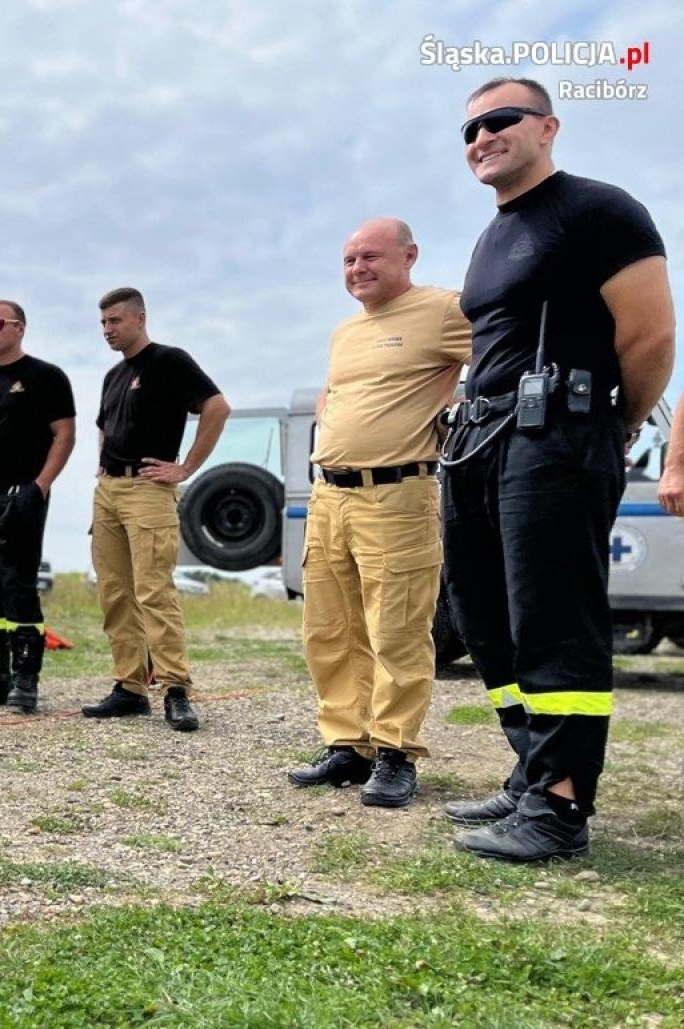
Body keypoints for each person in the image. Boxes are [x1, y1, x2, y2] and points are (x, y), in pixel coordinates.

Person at [440, 78, 674, 862]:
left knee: (552, 616)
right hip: (480, 441)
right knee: (485, 621)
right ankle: (531, 771)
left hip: (557, 437)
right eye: (469, 128)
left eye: (499, 120)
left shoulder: (600, 210)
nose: (481, 137)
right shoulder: (492, 236)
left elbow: (650, 336)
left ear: (548, 127)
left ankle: (562, 807)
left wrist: (616, 425)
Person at [286, 222, 470, 803]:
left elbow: (502, 354)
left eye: (369, 256)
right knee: (330, 629)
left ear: (410, 255)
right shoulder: (345, 331)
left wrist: (459, 406)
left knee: (397, 630)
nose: (357, 268)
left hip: (398, 495)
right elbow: (332, 395)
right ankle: (348, 745)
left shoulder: (444, 310)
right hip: (330, 496)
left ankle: (395, 751)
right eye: (347, 259)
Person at [81, 288, 229, 733]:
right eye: (103, 323)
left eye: (116, 321)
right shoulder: (112, 376)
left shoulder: (169, 361)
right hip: (108, 490)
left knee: (153, 593)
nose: (108, 330)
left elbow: (217, 408)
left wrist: (185, 467)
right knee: (114, 593)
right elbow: (104, 428)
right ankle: (129, 687)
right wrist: (102, 473)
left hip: (148, 489)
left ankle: (176, 690)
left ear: (140, 318)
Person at [0, 300, 76, 711]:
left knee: (18, 586)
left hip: (20, 495)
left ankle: (26, 680)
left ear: (19, 328)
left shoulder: (46, 377)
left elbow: (64, 434)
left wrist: (39, 487)